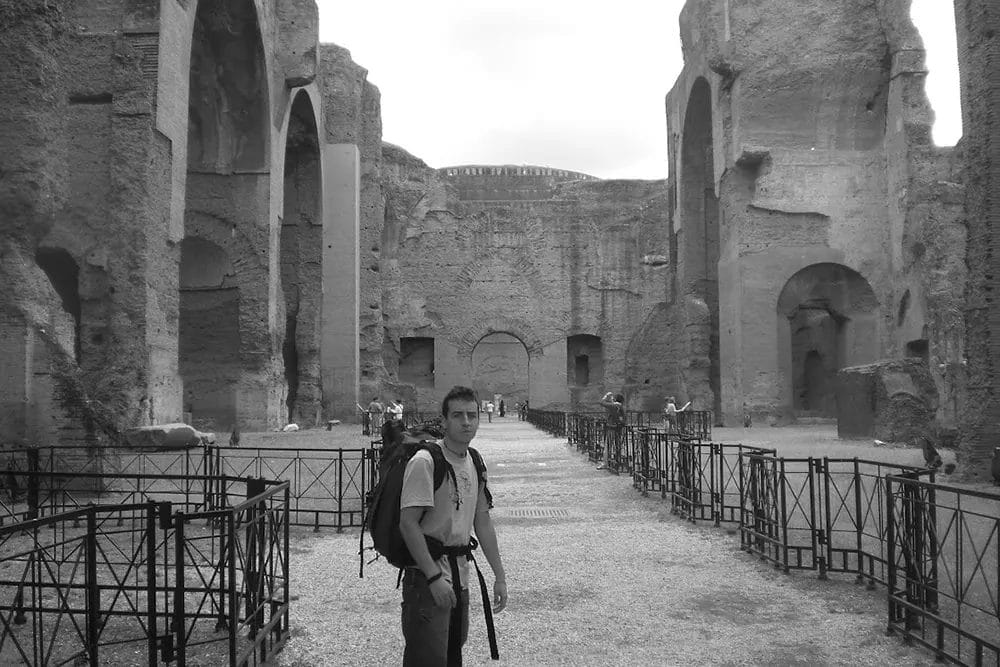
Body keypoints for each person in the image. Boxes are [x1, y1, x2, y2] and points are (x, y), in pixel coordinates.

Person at [399, 385, 508, 665]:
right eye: (458, 415)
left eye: (472, 415)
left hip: (459, 575)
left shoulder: (474, 460)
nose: (466, 422)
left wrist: (500, 576)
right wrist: (434, 577)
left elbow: (482, 522)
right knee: (428, 656)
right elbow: (408, 524)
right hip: (427, 576)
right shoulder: (425, 461)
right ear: (445, 420)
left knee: (451, 653)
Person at [598, 392, 625, 471]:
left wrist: (606, 396)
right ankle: (617, 461)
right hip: (618, 427)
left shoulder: (615, 405)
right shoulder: (620, 406)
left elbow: (601, 403)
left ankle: (605, 463)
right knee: (618, 446)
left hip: (612, 427)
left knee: (608, 446)